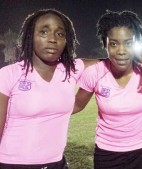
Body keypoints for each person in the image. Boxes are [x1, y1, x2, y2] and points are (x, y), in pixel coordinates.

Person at [0, 9, 101, 169]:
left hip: (57, 163)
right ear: (30, 36)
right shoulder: (8, 74)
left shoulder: (71, 69)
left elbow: (110, 63)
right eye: (44, 32)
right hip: (13, 164)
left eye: (60, 34)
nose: (53, 39)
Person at [73, 10, 142, 169]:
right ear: (105, 44)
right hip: (108, 154)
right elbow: (77, 105)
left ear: (135, 44)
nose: (121, 50)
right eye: (114, 43)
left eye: (128, 43)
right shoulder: (95, 73)